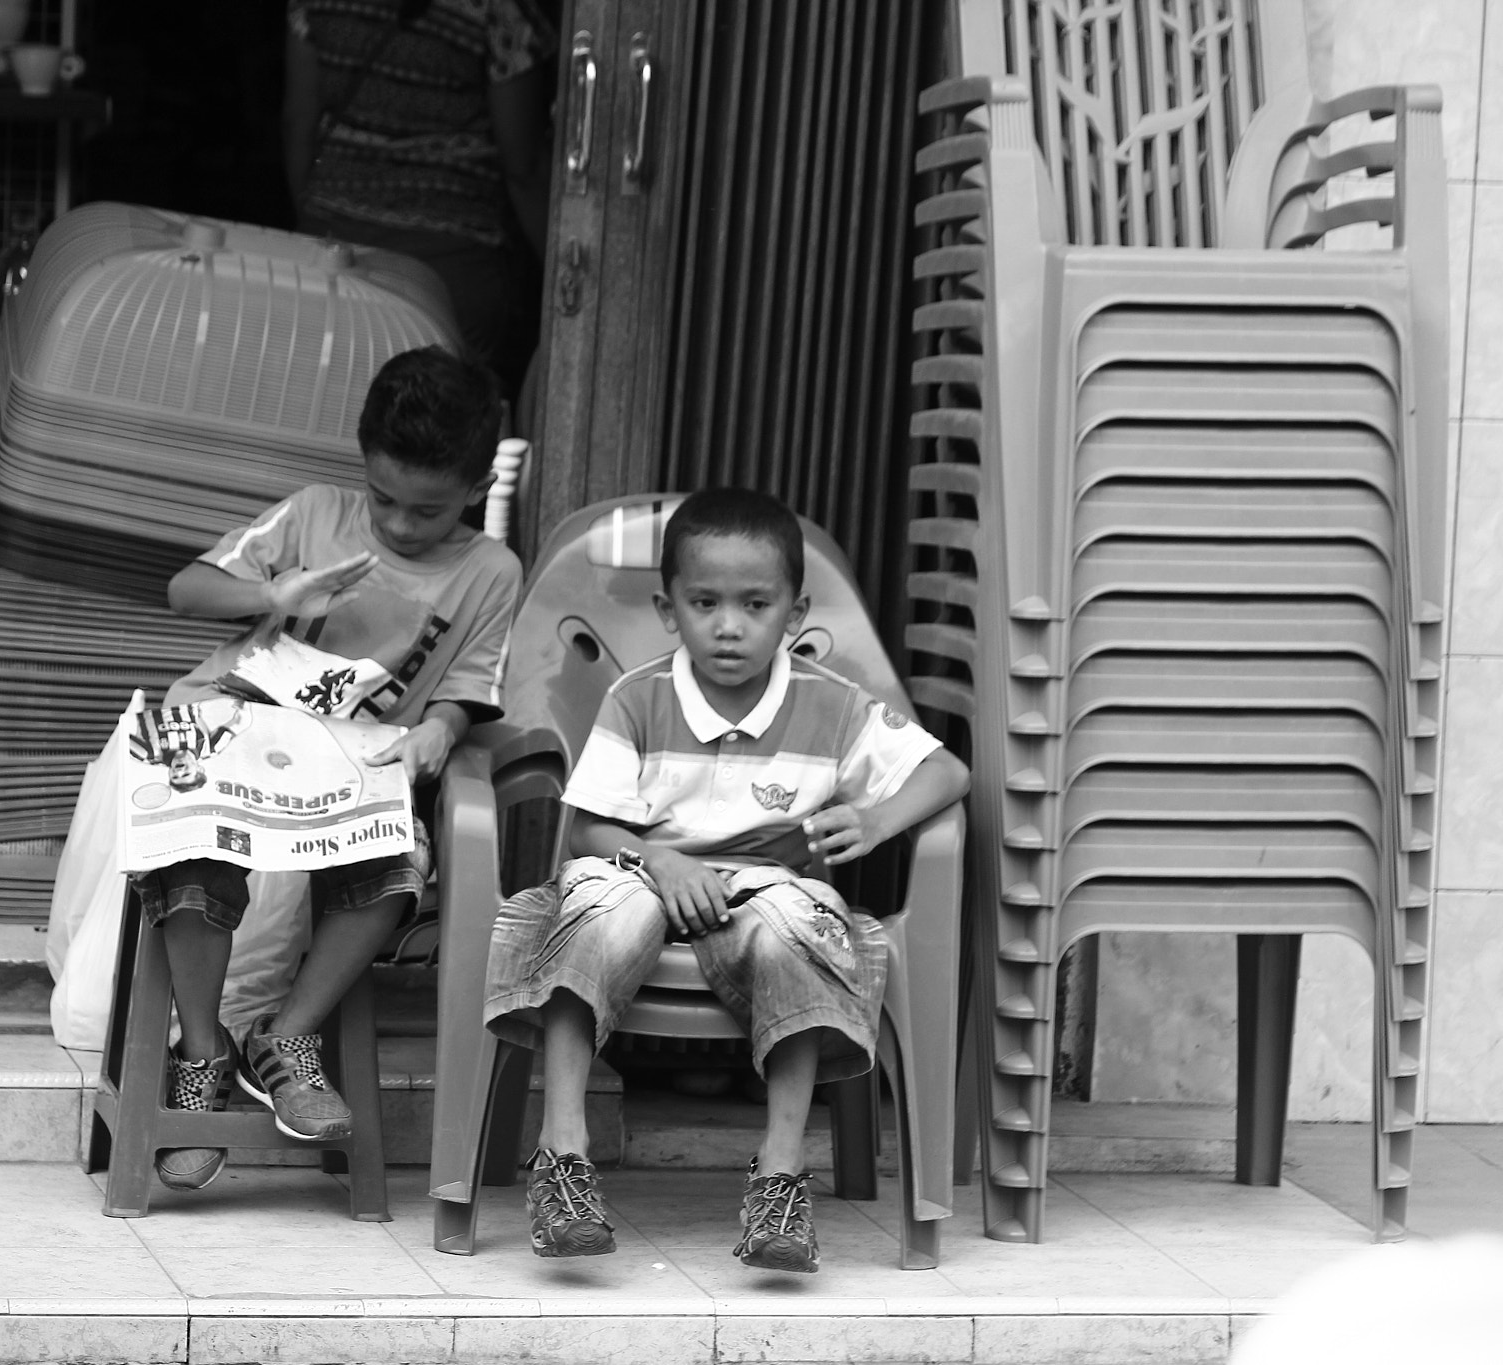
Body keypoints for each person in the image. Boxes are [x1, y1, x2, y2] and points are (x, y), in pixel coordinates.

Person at [483, 488, 971, 1271]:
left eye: (755, 604)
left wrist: (877, 820)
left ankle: (781, 1176)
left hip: (765, 892)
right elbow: (588, 828)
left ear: (795, 611)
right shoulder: (637, 697)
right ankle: (563, 1152)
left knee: (800, 929)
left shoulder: (832, 705)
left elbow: (946, 773)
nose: (729, 625)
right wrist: (660, 859)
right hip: (646, 875)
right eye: (704, 603)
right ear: (668, 609)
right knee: (592, 908)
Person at [148, 344, 523, 1193]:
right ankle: (201, 1053)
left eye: (427, 510)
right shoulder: (315, 514)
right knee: (193, 846)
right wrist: (271, 597)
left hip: (349, 769)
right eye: (383, 498)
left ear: (477, 488)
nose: (399, 525)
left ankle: (287, 1034)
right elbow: (184, 590)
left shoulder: (491, 572)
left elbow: (467, 687)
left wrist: (440, 731)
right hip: (232, 730)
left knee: (398, 862)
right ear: (363, 464)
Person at [281, 0, 555, 392]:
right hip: (448, 276)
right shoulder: (501, 9)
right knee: (434, 420)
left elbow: (299, 121)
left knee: (324, 403)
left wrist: (315, 223)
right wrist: (566, 277)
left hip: (333, 256)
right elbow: (524, 167)